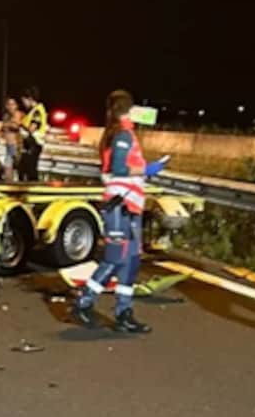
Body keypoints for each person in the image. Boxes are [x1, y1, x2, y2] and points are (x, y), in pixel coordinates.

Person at [72, 89, 167, 333]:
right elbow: (118, 168)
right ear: (129, 109)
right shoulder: (122, 134)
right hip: (119, 206)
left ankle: (124, 313)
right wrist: (149, 169)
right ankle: (83, 302)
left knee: (131, 261)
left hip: (130, 205)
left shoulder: (122, 132)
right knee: (115, 258)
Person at [17, 87, 48, 181]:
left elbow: (32, 128)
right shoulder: (33, 111)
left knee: (29, 171)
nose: (24, 104)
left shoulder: (37, 111)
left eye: (24, 101)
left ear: (30, 99)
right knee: (23, 170)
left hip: (33, 144)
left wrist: (20, 125)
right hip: (29, 145)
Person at [0, 97, 24, 181]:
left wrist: (7, 125)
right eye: (8, 104)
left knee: (18, 165)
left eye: (12, 104)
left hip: (16, 144)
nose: (10, 107)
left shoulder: (18, 114)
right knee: (8, 165)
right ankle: (9, 182)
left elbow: (16, 126)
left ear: (16, 105)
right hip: (8, 144)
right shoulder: (6, 116)